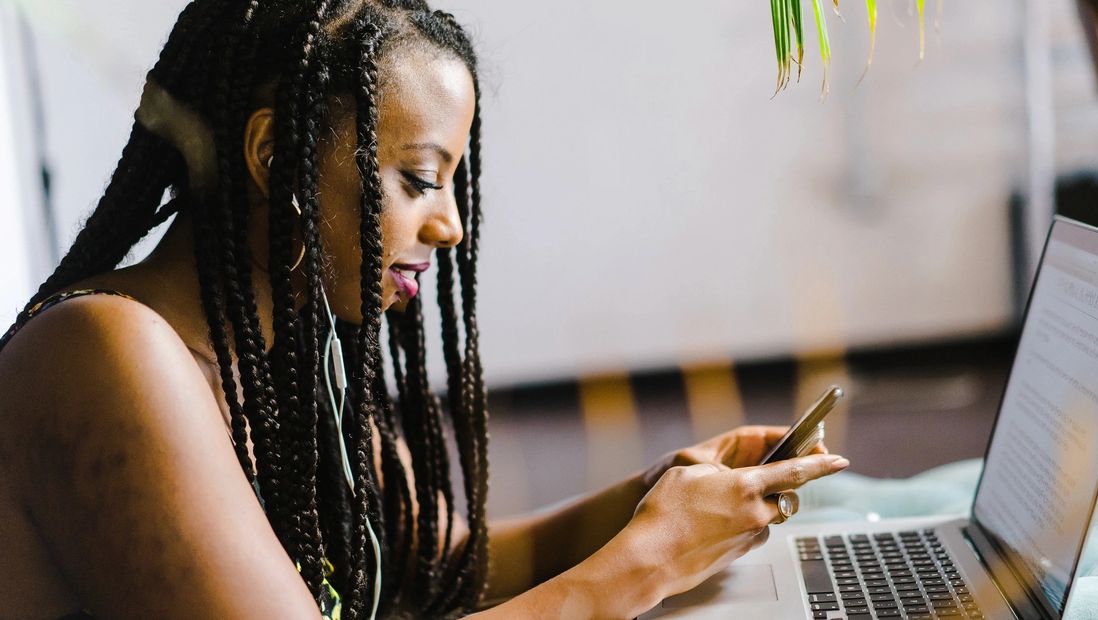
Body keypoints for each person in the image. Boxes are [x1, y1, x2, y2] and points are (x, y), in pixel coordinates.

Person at [0, 1, 850, 618]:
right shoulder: (104, 350)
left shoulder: (282, 347)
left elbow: (442, 563)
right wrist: (643, 566)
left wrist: (659, 496)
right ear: (275, 155)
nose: (450, 225)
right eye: (416, 179)